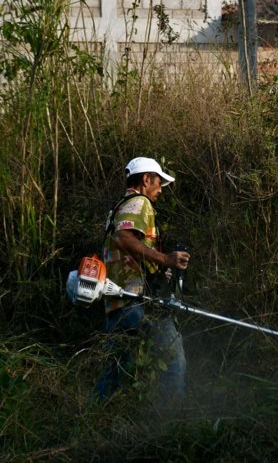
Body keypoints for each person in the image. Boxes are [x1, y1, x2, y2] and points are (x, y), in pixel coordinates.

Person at [93, 157, 190, 403]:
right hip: (139, 301)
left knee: (113, 371)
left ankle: (91, 421)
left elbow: (126, 248)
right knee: (173, 360)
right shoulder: (140, 202)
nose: (160, 190)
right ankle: (169, 425)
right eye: (159, 183)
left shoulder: (119, 207)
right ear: (146, 179)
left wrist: (157, 268)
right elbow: (125, 238)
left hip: (116, 302)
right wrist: (165, 258)